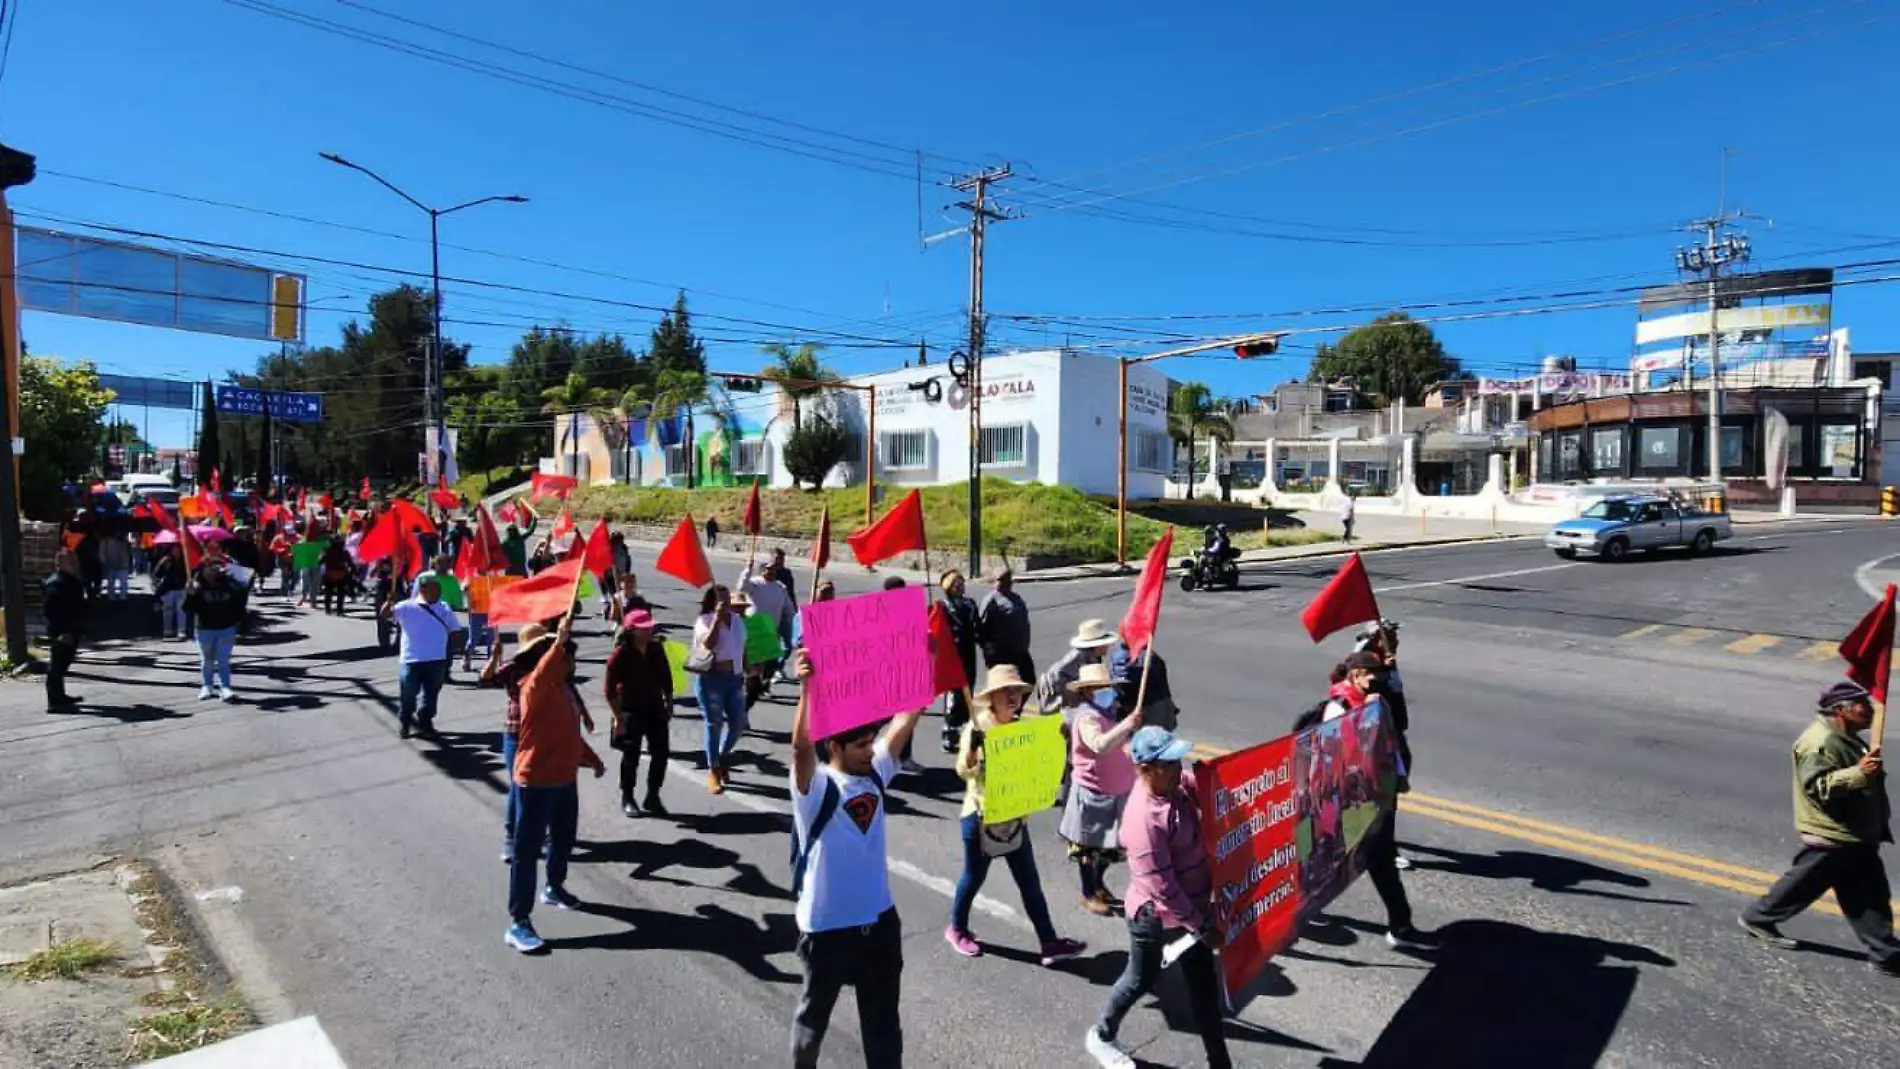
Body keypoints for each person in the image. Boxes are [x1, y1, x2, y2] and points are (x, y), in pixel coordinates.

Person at [786, 648, 924, 1069]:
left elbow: (902, 722)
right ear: (835, 745)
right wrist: (808, 688)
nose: (871, 751)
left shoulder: (876, 774)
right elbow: (799, 749)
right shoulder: (817, 790)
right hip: (828, 930)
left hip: (878, 924)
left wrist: (920, 667)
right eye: (861, 745)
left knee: (884, 1026)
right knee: (813, 1021)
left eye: (871, 743)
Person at [1087, 726, 1230, 1069]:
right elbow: (1163, 887)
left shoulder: (1174, 784)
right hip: (1156, 918)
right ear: (1147, 770)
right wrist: (1201, 927)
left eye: (1177, 758)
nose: (1178, 767)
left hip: (1193, 909)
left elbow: (1202, 785)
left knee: (1204, 989)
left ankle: (1220, 1063)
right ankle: (1102, 1034)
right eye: (1168, 762)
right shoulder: (1142, 821)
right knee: (1139, 980)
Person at [1740, 680, 1900, 976]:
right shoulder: (1819, 743)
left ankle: (1886, 953)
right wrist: (1858, 773)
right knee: (1814, 885)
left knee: (1866, 895)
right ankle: (1758, 916)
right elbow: (1816, 787)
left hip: (1855, 834)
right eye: (1863, 705)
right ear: (1841, 710)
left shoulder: (1847, 735)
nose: (1872, 711)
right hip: (1834, 833)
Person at [945, 664, 1088, 965]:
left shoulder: (1023, 727)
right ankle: (957, 929)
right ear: (992, 697)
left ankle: (1048, 942)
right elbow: (963, 771)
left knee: (1029, 882)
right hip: (982, 818)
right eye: (1005, 692)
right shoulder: (978, 726)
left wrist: (1057, 739)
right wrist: (973, 750)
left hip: (1014, 818)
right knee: (973, 877)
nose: (1013, 697)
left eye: (1017, 692)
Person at [504, 611, 606, 954]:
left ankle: (554, 888)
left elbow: (568, 734)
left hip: (564, 780)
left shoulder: (563, 691)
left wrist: (591, 759)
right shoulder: (533, 686)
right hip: (535, 783)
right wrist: (558, 639)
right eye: (566, 656)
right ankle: (518, 922)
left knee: (563, 840)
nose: (571, 661)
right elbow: (548, 665)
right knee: (526, 852)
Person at [1321, 652, 1438, 952]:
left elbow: (1391, 741)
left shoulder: (1377, 702)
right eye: (1373, 676)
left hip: (1380, 795)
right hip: (1355, 801)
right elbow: (1333, 756)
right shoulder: (1338, 708)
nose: (1378, 682)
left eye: (1380, 677)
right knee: (1345, 861)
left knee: (1381, 860)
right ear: (1356, 674)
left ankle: (1400, 924)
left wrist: (1399, 774)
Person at [1062, 664, 1144, 917]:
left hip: (1117, 791)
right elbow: (1099, 745)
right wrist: (1127, 725)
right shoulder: (1087, 717)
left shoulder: (1109, 712)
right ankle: (1089, 892)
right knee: (1089, 848)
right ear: (1087, 692)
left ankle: (1098, 884)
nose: (1105, 691)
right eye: (1099, 688)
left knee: (1111, 847)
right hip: (1093, 793)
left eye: (1106, 686)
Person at [605, 609, 674, 817]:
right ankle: (628, 796)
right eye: (642, 628)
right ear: (631, 631)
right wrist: (618, 718)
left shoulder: (656, 649)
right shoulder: (620, 654)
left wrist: (669, 702)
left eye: (649, 627)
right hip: (630, 709)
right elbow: (609, 691)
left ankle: (653, 795)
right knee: (631, 756)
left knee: (661, 754)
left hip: (655, 708)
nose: (648, 631)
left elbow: (666, 677)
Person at [386, 574, 464, 740]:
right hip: (411, 660)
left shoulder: (444, 608)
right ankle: (405, 721)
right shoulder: (406, 607)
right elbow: (385, 615)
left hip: (437, 660)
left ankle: (426, 722)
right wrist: (388, 602)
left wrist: (460, 649)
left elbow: (455, 630)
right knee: (408, 694)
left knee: (431, 695)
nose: (437, 593)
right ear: (422, 589)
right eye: (434, 589)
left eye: (438, 590)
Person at [693, 584, 749, 793]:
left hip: (734, 678)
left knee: (738, 722)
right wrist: (716, 618)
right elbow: (708, 644)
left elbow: (741, 646)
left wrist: (748, 669)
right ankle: (713, 769)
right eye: (721, 599)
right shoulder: (704, 620)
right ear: (712, 601)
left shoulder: (737, 621)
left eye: (727, 599)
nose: (725, 603)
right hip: (712, 679)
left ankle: (722, 757)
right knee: (714, 724)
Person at [184, 558, 245, 703]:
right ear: (203, 570)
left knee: (223, 660)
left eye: (216, 567)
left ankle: (225, 687)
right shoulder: (198, 586)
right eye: (210, 567)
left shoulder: (229, 584)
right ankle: (207, 686)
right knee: (207, 661)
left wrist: (235, 578)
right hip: (205, 629)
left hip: (226, 628)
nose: (213, 570)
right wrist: (190, 594)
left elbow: (241, 600)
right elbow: (188, 609)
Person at [1035, 619, 1119, 715]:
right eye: (1105, 644)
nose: (1108, 646)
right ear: (1098, 645)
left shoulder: (1094, 656)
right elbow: (1055, 675)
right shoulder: (1077, 658)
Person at [938, 570, 981, 754]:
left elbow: (977, 627)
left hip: (968, 653)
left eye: (962, 583)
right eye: (956, 584)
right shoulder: (943, 606)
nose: (961, 586)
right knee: (954, 694)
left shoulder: (970, 604)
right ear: (948, 587)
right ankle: (950, 731)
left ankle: (964, 728)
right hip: (952, 655)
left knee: (967, 692)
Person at [41, 549, 87, 711]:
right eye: (71, 562)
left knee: (63, 663)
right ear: (59, 564)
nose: (76, 565)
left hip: (72, 628)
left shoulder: (71, 580)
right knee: (57, 665)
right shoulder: (56, 584)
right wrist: (62, 632)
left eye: (76, 561)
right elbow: (51, 610)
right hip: (63, 630)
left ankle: (60, 696)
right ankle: (54, 701)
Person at [977, 566, 1033, 681]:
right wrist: (988, 648)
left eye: (1007, 580)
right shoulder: (991, 600)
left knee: (1029, 680)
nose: (1005, 583)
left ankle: (1016, 700)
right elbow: (979, 626)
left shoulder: (1017, 598)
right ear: (994, 582)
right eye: (1001, 580)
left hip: (1020, 650)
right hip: (1002, 654)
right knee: (1005, 685)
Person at [1109, 640, 1178, 732]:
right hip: (1148, 710)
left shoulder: (1146, 655)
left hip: (1154, 707)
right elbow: (1124, 683)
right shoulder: (1132, 658)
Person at [151, 543, 189, 641]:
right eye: (174, 550)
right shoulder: (165, 560)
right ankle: (167, 630)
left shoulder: (185, 560)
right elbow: (156, 573)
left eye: (178, 550)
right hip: (168, 589)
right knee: (168, 610)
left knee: (181, 610)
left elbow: (189, 573)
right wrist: (157, 584)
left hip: (181, 588)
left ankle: (182, 631)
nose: (176, 552)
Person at [319, 538, 353, 616]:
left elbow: (320, 561)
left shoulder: (327, 552)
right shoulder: (344, 552)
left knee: (328, 592)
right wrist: (354, 572)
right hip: (341, 574)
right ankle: (339, 610)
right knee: (341, 593)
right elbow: (350, 563)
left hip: (329, 574)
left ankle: (328, 609)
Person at [98, 528, 132, 601]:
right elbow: (101, 554)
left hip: (122, 565)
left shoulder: (124, 541)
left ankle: (122, 597)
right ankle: (112, 597)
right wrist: (105, 563)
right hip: (111, 565)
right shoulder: (105, 541)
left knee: (123, 583)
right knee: (111, 583)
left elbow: (128, 553)